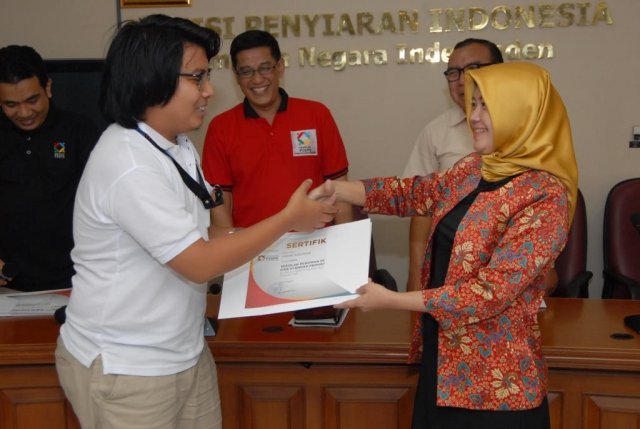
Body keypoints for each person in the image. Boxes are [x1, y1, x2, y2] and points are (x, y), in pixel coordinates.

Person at [55, 15, 336, 429]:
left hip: (184, 350)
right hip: (128, 367)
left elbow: (208, 234)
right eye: (198, 78)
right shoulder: (128, 163)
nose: (209, 91)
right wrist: (287, 219)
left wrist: (295, 240)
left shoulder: (177, 144)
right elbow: (199, 262)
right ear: (153, 80)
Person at [311, 62, 578, 428]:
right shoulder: (474, 167)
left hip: (497, 384)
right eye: (473, 104)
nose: (474, 117)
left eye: (487, 106)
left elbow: (490, 292)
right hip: (443, 360)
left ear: (522, 112)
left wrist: (390, 300)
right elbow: (414, 193)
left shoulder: (545, 195)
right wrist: (337, 189)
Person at [202, 29, 352, 231]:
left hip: (315, 240)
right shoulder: (220, 127)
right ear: (236, 76)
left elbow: (340, 189)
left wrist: (345, 242)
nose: (257, 79)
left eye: (265, 68)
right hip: (253, 244)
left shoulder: (317, 114)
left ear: (280, 67)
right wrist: (228, 247)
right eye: (246, 71)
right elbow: (220, 201)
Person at [403, 38, 503, 292]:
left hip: (513, 269)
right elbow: (419, 207)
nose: (461, 80)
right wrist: (416, 276)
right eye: (453, 72)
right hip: (449, 274)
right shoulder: (436, 132)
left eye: (472, 69)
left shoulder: (529, 128)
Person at [0, 45, 99, 291]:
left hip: (76, 281)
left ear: (48, 87)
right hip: (9, 285)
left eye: (32, 100)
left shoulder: (80, 131)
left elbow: (107, 205)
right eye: (11, 104)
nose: (24, 113)